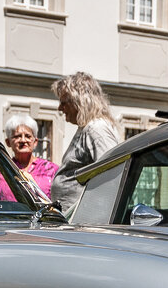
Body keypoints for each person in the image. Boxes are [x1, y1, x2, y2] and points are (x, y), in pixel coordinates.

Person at [49, 72, 120, 213]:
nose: (59, 108)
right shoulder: (87, 128)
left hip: (84, 222)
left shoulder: (96, 129)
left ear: (80, 101)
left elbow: (112, 176)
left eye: (64, 103)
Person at [0, 115, 59, 201]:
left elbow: (60, 203)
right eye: (17, 136)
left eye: (28, 136)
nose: (23, 140)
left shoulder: (51, 170)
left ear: (35, 142)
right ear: (8, 142)